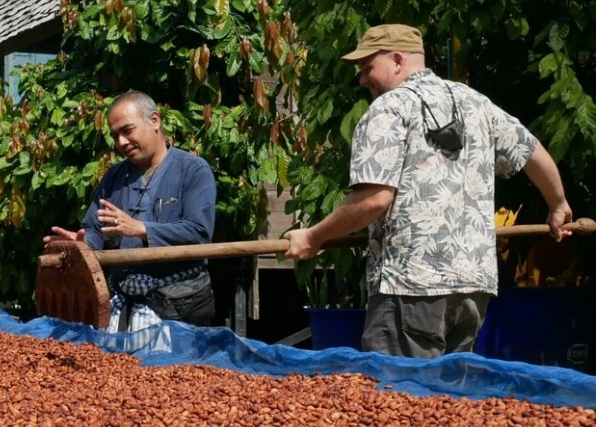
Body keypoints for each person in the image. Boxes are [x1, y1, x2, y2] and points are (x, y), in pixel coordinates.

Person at [284, 23, 572, 358]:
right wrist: (558, 203)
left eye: (367, 69)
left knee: (401, 401)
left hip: (411, 286)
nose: (362, 79)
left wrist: (313, 237)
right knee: (447, 403)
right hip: (472, 288)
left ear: (396, 60)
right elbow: (531, 152)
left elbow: (374, 199)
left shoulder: (389, 108)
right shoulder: (476, 103)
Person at [44, 90, 217, 331]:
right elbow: (95, 228)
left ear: (154, 121)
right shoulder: (114, 176)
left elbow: (199, 233)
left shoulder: (193, 170)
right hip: (125, 300)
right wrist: (82, 243)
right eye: (115, 136)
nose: (121, 143)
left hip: (181, 306)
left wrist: (142, 229)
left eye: (127, 131)